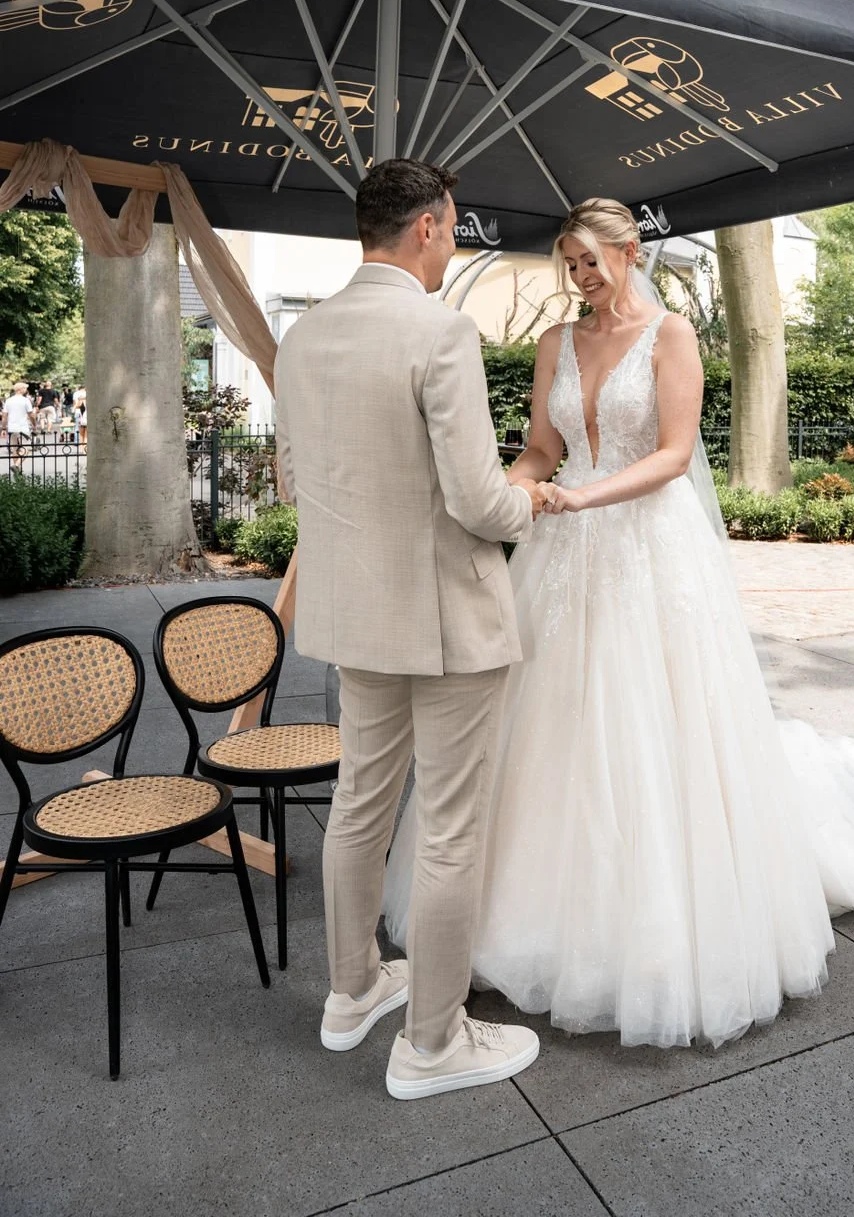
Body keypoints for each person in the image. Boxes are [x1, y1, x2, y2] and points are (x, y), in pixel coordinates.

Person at [384, 197, 854, 1049]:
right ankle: (515, 913)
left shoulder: (671, 338)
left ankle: (661, 927)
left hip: (648, 551)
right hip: (561, 554)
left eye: (592, 261)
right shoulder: (556, 342)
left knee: (656, 723)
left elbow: (672, 455)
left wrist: (582, 497)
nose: (581, 278)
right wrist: (511, 488)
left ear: (630, 252)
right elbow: (541, 449)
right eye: (569, 264)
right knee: (544, 725)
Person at [275, 161, 548, 1100]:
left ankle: (350, 992)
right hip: (446, 624)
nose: (455, 242)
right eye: (454, 227)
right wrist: (531, 499)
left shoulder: (301, 336)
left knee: (359, 805)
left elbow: (293, 482)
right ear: (429, 227)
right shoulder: (441, 332)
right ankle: (432, 1043)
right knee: (447, 835)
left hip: (353, 617)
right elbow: (478, 500)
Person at [2, 381, 35, 469]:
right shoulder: (25, 400)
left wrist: (3, 428)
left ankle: (16, 470)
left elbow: (4, 416)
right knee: (27, 449)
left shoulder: (8, 401)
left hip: (12, 428)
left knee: (14, 450)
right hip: (22, 428)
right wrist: (34, 425)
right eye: (25, 388)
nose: (26, 390)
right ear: (21, 390)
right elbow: (31, 414)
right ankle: (16, 465)